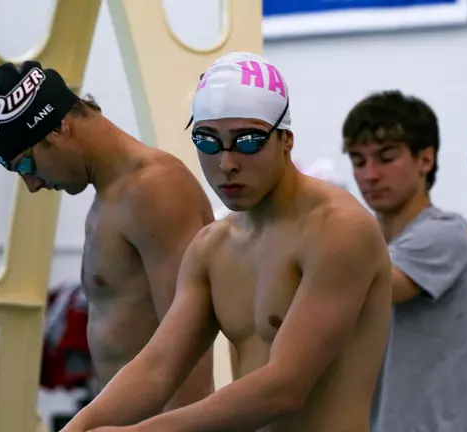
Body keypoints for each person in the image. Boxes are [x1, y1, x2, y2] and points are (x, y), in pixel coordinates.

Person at [63, 51, 392, 432]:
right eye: (207, 142)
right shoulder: (212, 248)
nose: (226, 163)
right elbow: (157, 369)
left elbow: (285, 387)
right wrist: (77, 427)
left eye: (247, 141)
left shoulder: (339, 230)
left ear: (285, 139)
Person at [0, 61, 215, 411]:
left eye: (25, 164)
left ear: (58, 128)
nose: (32, 184)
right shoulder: (110, 197)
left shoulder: (153, 190)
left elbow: (189, 351)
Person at [343, 90, 467, 431]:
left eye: (386, 158)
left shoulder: (445, 233)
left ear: (425, 160)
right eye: (358, 161)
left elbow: (373, 288)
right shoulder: (363, 249)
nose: (370, 174)